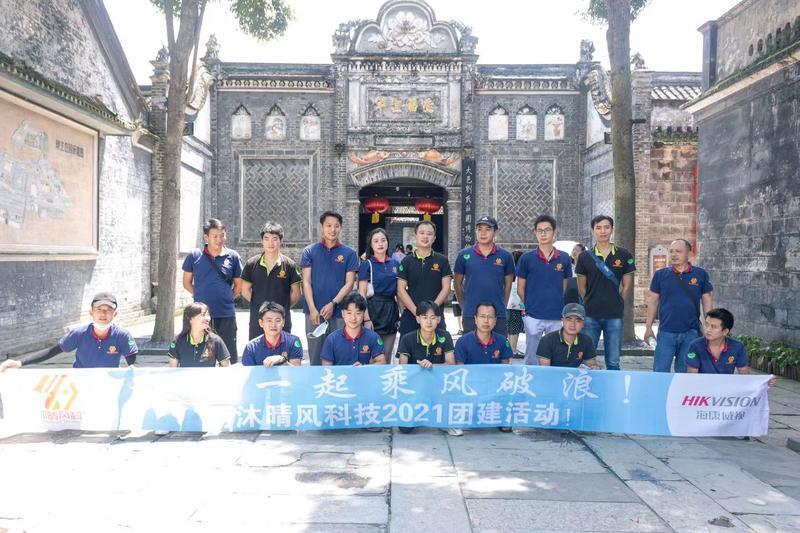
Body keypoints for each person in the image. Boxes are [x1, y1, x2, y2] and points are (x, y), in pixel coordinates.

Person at [0, 292, 137, 371]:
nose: (103, 314)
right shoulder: (79, 334)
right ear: (91, 312)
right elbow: (52, 351)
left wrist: (131, 366)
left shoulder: (122, 336)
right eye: (99, 309)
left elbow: (131, 357)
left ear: (115, 314)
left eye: (108, 310)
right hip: (80, 384)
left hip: (108, 384)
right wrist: (20, 363)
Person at [575, 215, 635, 371]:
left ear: (612, 229)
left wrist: (618, 301)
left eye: (607, 227)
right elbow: (581, 286)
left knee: (613, 361)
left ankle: (613, 386)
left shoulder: (624, 255)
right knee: (588, 360)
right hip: (590, 315)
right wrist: (589, 301)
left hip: (614, 315)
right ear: (593, 230)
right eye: (598, 228)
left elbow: (627, 285)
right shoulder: (584, 257)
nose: (603, 231)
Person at [645, 239, 713, 373]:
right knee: (660, 371)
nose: (674, 254)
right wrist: (648, 327)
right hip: (666, 332)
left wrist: (709, 326)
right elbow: (653, 301)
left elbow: (707, 300)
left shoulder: (700, 274)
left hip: (691, 332)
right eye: (671, 251)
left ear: (689, 254)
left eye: (678, 251)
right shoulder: (660, 275)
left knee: (684, 373)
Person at [301, 211, 360, 366]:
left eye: (336, 226)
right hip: (314, 313)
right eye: (328, 225)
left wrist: (333, 303)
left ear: (341, 228)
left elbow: (349, 283)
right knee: (315, 356)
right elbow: (306, 282)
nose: (332, 229)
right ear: (321, 227)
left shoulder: (349, 253)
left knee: (340, 355)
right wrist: (312, 308)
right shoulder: (309, 251)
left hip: (340, 312)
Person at [182, 218, 242, 362]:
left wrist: (227, 297)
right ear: (206, 237)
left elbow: (239, 286)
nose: (219, 239)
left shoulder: (233, 256)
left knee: (228, 356)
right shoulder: (194, 256)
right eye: (215, 236)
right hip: (201, 316)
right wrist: (199, 295)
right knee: (202, 357)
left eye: (222, 235)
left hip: (226, 314)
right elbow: (186, 283)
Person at [396, 300, 460, 436]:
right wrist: (419, 369)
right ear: (418, 319)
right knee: (405, 428)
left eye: (433, 317)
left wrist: (432, 366)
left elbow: (451, 364)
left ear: (439, 319)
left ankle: (444, 420)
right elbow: (402, 368)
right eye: (425, 317)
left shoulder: (445, 336)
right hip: (415, 388)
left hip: (439, 386)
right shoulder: (407, 339)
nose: (429, 322)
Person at [516, 215, 573, 365]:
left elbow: (565, 287)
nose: (543, 234)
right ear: (535, 233)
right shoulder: (526, 258)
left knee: (555, 355)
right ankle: (530, 378)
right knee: (531, 356)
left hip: (556, 315)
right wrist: (530, 306)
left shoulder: (564, 258)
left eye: (547, 230)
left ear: (554, 232)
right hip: (533, 315)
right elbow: (520, 289)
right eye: (539, 230)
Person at [454, 302, 514, 432]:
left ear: (495, 320)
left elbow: (505, 371)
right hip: (471, 389)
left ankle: (500, 414)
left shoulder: (503, 341)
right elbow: (459, 372)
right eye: (482, 316)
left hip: (494, 389)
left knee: (507, 425)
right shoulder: (462, 342)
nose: (486, 321)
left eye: (490, 317)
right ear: (475, 319)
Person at [454, 215, 515, 336]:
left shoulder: (505, 256)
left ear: (495, 232)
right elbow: (457, 283)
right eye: (479, 229)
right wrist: (464, 306)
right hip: (471, 314)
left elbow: (508, 285)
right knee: (471, 346)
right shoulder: (464, 255)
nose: (483, 233)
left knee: (499, 346)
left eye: (488, 229)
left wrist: (502, 305)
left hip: (498, 314)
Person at [241, 221, 302, 341]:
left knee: (282, 351)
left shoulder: (290, 265)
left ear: (281, 240)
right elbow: (245, 290)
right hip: (258, 321)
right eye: (266, 238)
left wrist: (282, 306)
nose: (270, 243)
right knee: (257, 351)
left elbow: (296, 293)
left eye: (275, 239)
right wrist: (260, 304)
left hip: (281, 322)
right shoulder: (252, 264)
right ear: (262, 240)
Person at [396, 221, 452, 336]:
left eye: (429, 234)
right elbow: (400, 289)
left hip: (436, 316)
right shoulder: (406, 261)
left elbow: (446, 288)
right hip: (412, 316)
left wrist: (431, 312)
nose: (425, 236)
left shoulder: (442, 260)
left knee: (439, 346)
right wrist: (417, 312)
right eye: (421, 233)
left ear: (434, 238)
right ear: (415, 235)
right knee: (407, 346)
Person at [358, 228, 400, 360]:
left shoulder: (395, 264)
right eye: (376, 241)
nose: (380, 244)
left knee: (387, 355)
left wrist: (402, 313)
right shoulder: (367, 264)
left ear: (388, 242)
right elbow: (362, 293)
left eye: (383, 240)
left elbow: (399, 293)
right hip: (374, 310)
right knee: (372, 356)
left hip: (391, 310)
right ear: (371, 244)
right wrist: (366, 319)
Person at [320, 293, 387, 366]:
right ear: (342, 313)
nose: (353, 318)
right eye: (349, 313)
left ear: (363, 314)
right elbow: (326, 367)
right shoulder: (332, 339)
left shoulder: (373, 337)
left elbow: (382, 362)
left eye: (358, 313)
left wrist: (364, 367)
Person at [167, 302, 231, 367]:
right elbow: (172, 369)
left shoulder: (215, 340)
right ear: (190, 318)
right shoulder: (177, 341)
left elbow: (226, 368)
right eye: (203, 315)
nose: (208, 318)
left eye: (208, 315)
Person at [241, 302, 303, 367]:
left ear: (283, 322)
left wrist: (282, 359)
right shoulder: (251, 347)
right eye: (269, 320)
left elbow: (296, 369)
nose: (273, 325)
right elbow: (249, 372)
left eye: (277, 320)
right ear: (261, 323)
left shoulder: (293, 341)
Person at [536, 303, 598, 368]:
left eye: (578, 321)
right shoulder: (547, 340)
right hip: (552, 374)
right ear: (562, 321)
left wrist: (594, 367)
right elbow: (545, 370)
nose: (573, 324)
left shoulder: (586, 340)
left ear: (583, 324)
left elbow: (592, 364)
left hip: (574, 374)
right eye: (569, 320)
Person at [506, 250, 526, 358]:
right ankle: (513, 350)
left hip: (508, 303)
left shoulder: (509, 272)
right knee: (515, 328)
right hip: (517, 305)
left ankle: (511, 348)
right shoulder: (520, 272)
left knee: (510, 328)